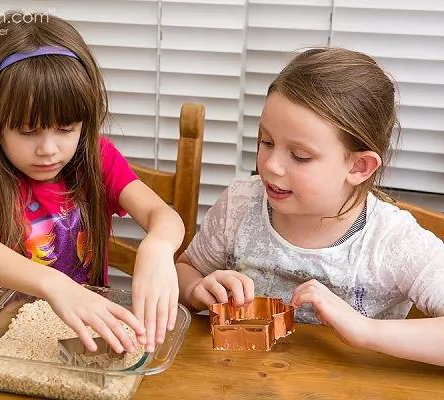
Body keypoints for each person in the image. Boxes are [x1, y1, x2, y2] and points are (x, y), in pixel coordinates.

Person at [0, 12, 185, 355]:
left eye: (66, 129)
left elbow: (163, 215)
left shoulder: (96, 158)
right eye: (27, 130)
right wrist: (56, 285)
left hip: (81, 337)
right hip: (2, 337)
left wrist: (157, 248)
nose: (48, 149)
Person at [176, 47, 444, 366]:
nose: (271, 165)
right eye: (266, 141)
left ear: (359, 166)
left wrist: (366, 330)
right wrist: (195, 288)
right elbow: (184, 270)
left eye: (300, 156)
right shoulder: (240, 203)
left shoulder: (393, 241)